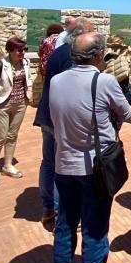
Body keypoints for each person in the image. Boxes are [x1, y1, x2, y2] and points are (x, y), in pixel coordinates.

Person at [48, 33, 131, 263]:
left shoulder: (56, 80)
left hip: (62, 165)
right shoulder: (104, 81)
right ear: (98, 55)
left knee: (65, 228)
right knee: (94, 230)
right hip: (95, 168)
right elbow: (127, 113)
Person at [34, 19, 95, 228]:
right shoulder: (72, 57)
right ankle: (62, 215)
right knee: (63, 167)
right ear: (80, 37)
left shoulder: (58, 53)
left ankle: (48, 208)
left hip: (48, 114)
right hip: (61, 119)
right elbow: (75, 92)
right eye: (91, 35)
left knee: (49, 163)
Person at [0, 37, 32, 187]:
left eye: (25, 49)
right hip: (2, 104)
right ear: (10, 50)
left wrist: (28, 92)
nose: (23, 53)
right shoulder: (0, 65)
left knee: (12, 135)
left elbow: (27, 78)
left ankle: (7, 165)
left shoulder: (26, 63)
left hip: (20, 104)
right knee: (0, 137)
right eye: (19, 50)